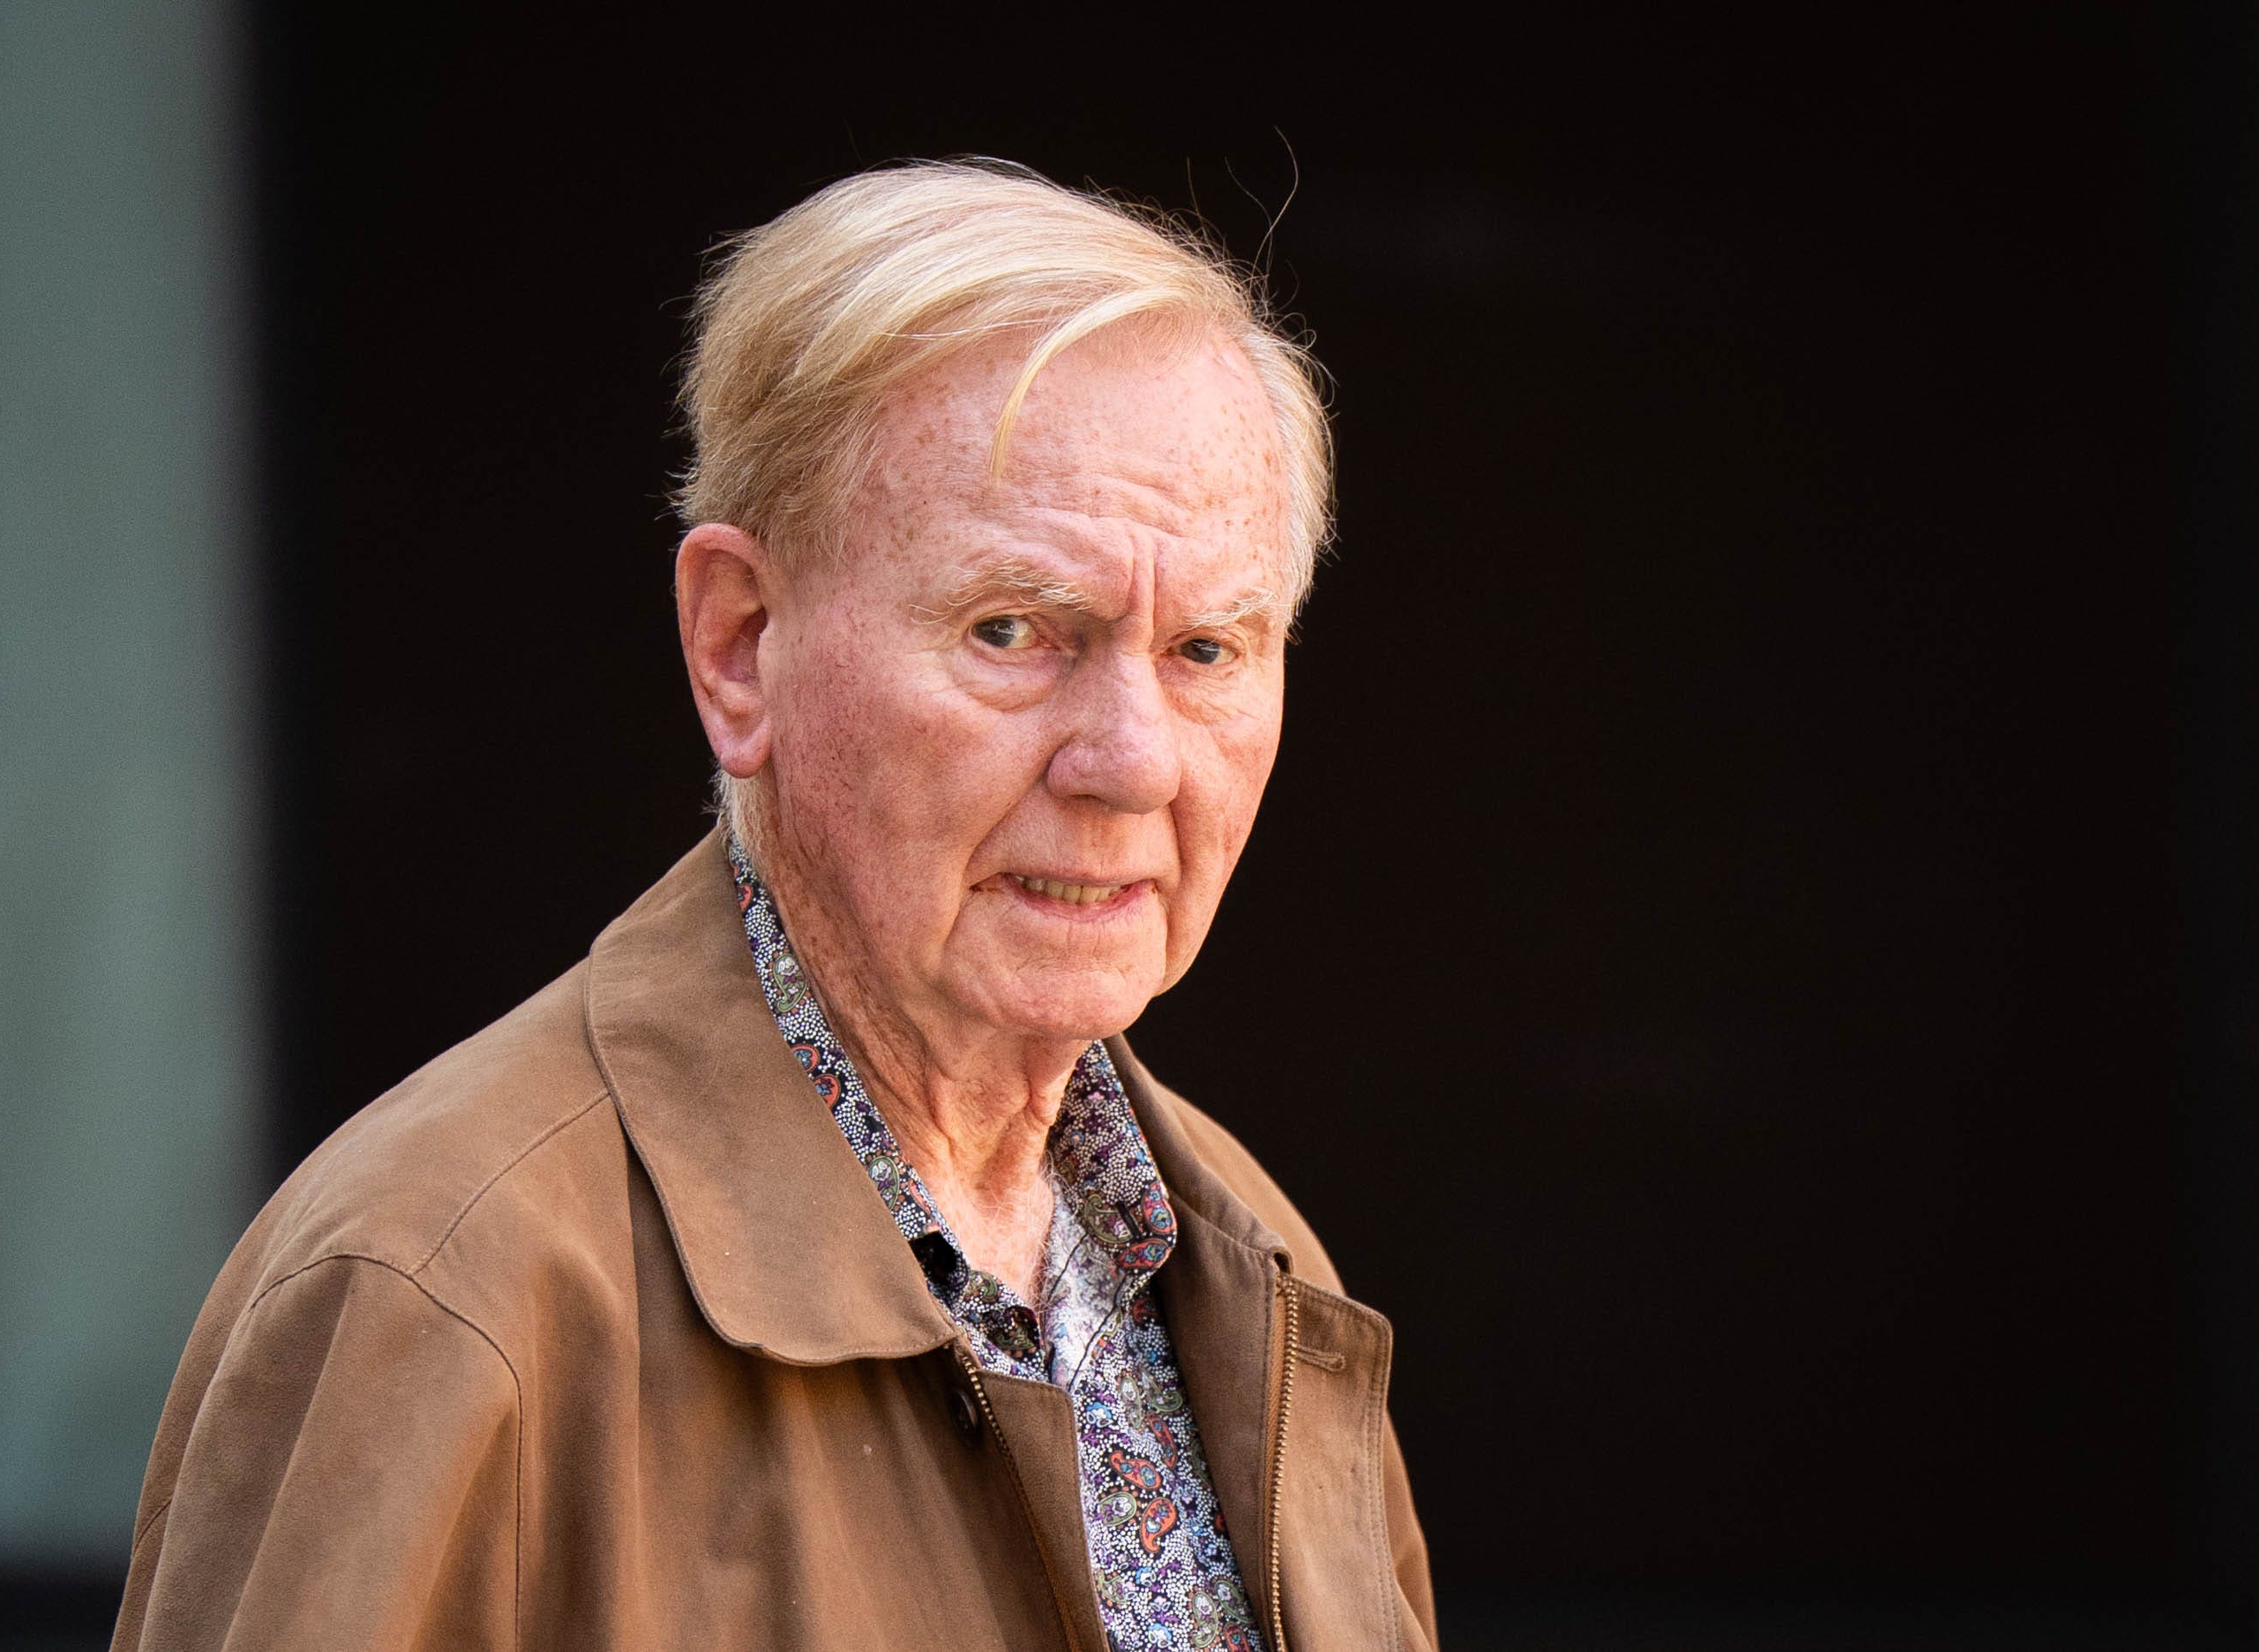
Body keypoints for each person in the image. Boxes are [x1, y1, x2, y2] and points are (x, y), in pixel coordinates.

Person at [112, 158, 1435, 1651]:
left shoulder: (1253, 1266)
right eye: (1012, 630)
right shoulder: (439, 1289)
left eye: (1206, 650)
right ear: (740, 644)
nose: (1134, 762)